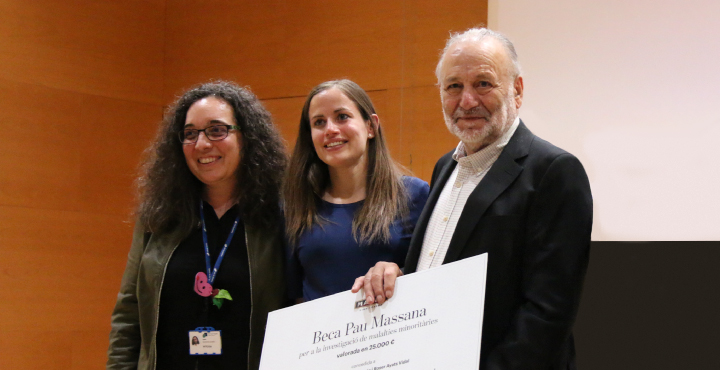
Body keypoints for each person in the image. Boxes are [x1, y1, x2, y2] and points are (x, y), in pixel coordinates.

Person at [352, 28, 593, 369]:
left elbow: (546, 315)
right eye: (454, 86)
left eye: (483, 83)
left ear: (517, 90)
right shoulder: (443, 169)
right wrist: (397, 275)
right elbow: (442, 272)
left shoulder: (554, 173)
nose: (466, 101)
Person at [107, 81, 287, 370]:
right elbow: (129, 314)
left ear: (247, 137)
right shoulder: (160, 215)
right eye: (190, 134)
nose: (202, 144)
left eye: (217, 130)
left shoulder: (281, 216)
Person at [284, 79, 429, 301]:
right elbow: (290, 295)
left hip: (394, 331)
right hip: (323, 334)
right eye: (319, 122)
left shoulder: (414, 195)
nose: (330, 129)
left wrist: (399, 273)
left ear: (371, 126)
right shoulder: (296, 205)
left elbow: (433, 277)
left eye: (342, 117)